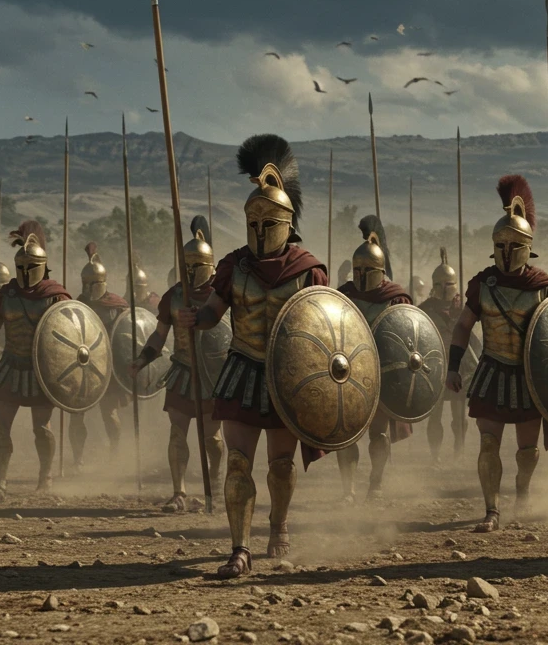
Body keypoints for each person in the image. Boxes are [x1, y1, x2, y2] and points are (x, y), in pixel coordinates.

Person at [174, 134, 328, 578]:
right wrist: (194, 319)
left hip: (287, 375)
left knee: (280, 465)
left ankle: (278, 525)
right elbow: (213, 314)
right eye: (252, 223)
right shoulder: (234, 267)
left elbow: (327, 330)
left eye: (268, 223)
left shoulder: (309, 270)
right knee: (239, 463)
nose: (260, 232)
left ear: (286, 222)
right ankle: (239, 547)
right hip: (242, 369)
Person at [443, 175, 548, 533]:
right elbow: (463, 326)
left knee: (527, 452)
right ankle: (492, 510)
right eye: (501, 245)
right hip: (493, 372)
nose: (507, 253)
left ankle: (522, 492)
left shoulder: (543, 288)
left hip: (528, 377)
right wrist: (452, 367)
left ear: (526, 246)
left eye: (514, 245)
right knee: (488, 443)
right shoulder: (483, 284)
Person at [131, 217, 225, 512]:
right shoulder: (174, 296)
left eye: (196, 265)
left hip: (214, 375)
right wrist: (143, 358)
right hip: (183, 372)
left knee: (211, 437)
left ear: (208, 265)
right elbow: (160, 336)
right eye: (187, 265)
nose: (190, 271)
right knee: (177, 433)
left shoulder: (221, 296)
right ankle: (179, 492)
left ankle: (216, 478)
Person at [0, 222, 71, 500]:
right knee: (1, 426)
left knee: (41, 427)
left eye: (29, 267)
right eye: (20, 267)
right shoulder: (6, 296)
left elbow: (70, 338)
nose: (24, 273)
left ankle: (45, 480)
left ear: (41, 265)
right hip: (10, 367)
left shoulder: (55, 296)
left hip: (41, 370)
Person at [336, 216, 413, 501]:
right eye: (357, 269)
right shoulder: (343, 295)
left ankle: (375, 484)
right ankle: (348, 490)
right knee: (347, 435)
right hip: (346, 373)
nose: (360, 275)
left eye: (367, 269)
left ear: (380, 270)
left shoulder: (395, 299)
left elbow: (407, 340)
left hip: (381, 373)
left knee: (378, 433)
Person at [73, 242, 130, 468]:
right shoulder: (76, 305)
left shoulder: (117, 307)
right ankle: (77, 460)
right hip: (81, 367)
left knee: (110, 413)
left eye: (92, 283)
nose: (88, 288)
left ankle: (115, 455)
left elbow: (126, 338)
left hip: (107, 367)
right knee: (77, 415)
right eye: (85, 284)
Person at [420, 248, 468, 463]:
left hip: (459, 367)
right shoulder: (425, 310)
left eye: (448, 284)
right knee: (435, 416)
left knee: (459, 418)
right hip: (435, 368)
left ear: (455, 284)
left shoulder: (464, 309)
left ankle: (459, 450)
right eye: (439, 284)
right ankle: (435, 455)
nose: (444, 288)